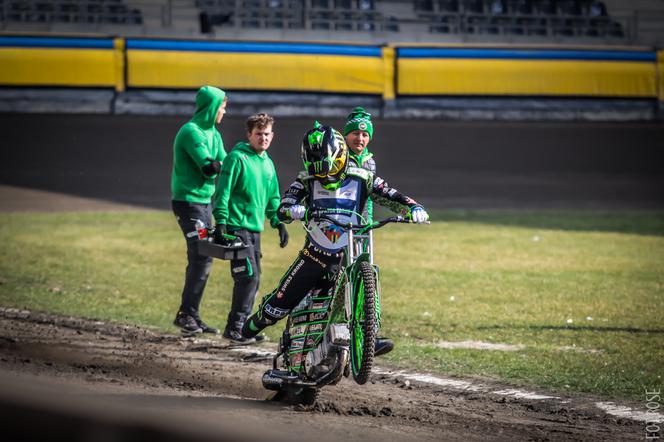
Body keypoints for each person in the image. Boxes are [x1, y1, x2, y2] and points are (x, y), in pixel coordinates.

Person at [240, 123, 429, 344]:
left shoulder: (363, 176)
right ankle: (256, 323)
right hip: (314, 255)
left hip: (348, 255)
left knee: (364, 286)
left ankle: (368, 338)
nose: (324, 175)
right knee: (278, 307)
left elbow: (391, 194)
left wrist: (414, 208)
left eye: (328, 168)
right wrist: (292, 209)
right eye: (317, 169)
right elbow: (283, 208)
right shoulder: (306, 180)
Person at [212, 113, 289, 344]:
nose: (263, 138)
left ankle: (241, 328)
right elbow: (222, 193)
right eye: (258, 134)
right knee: (247, 277)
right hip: (236, 228)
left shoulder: (267, 163)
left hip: (255, 231)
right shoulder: (237, 158)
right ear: (249, 135)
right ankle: (235, 328)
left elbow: (273, 198)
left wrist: (279, 223)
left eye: (266, 134)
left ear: (272, 136)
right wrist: (221, 223)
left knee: (254, 279)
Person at [171, 85, 228, 336]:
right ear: (212, 107)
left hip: (204, 202)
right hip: (188, 202)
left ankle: (190, 314)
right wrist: (229, 163)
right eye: (222, 107)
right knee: (201, 254)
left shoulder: (213, 133)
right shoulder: (191, 132)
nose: (224, 112)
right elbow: (210, 167)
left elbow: (226, 163)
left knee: (203, 257)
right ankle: (186, 314)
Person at [342, 107, 393, 356]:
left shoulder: (369, 161)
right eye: (354, 134)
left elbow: (374, 193)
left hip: (363, 226)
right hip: (338, 226)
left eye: (364, 135)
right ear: (346, 135)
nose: (359, 139)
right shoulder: (337, 157)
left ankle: (369, 335)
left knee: (367, 277)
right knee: (337, 277)